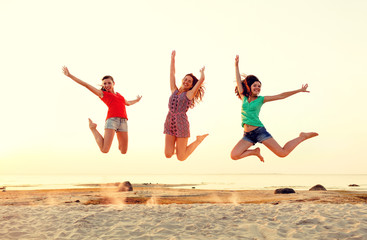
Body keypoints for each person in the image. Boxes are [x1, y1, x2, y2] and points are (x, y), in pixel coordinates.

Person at [231, 55, 318, 162]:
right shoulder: (243, 97)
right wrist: (236, 65)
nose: (257, 88)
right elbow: (239, 81)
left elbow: (281, 95)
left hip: (259, 131)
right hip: (247, 135)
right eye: (255, 85)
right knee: (234, 155)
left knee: (282, 153)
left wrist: (299, 90)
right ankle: (255, 152)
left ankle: (302, 136)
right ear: (249, 86)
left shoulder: (261, 99)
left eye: (259, 86)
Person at [62, 66, 142, 154]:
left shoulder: (119, 95)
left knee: (123, 151)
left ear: (113, 83)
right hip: (112, 120)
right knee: (105, 150)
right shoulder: (103, 94)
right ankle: (92, 128)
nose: (107, 85)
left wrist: (137, 100)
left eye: (109, 83)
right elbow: (86, 85)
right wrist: (70, 75)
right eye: (105, 84)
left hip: (123, 121)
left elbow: (128, 103)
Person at [164, 50, 208, 161]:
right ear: (182, 80)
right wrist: (172, 59)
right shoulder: (174, 90)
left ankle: (198, 140)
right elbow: (171, 74)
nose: (187, 82)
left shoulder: (189, 94)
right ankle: (179, 147)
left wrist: (202, 73)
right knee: (168, 154)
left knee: (181, 157)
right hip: (169, 122)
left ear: (191, 85)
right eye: (186, 79)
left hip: (181, 124)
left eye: (190, 81)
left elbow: (202, 80)